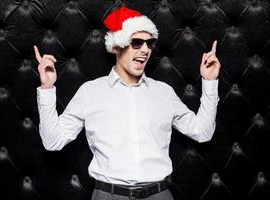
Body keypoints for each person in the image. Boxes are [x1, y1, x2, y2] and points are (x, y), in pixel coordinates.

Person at [35, 6, 220, 200]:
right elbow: (53, 141)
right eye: (137, 43)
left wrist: (209, 82)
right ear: (116, 46)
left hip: (158, 195)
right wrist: (47, 88)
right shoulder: (90, 92)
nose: (145, 50)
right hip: (108, 195)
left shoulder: (163, 92)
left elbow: (203, 132)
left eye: (150, 43)